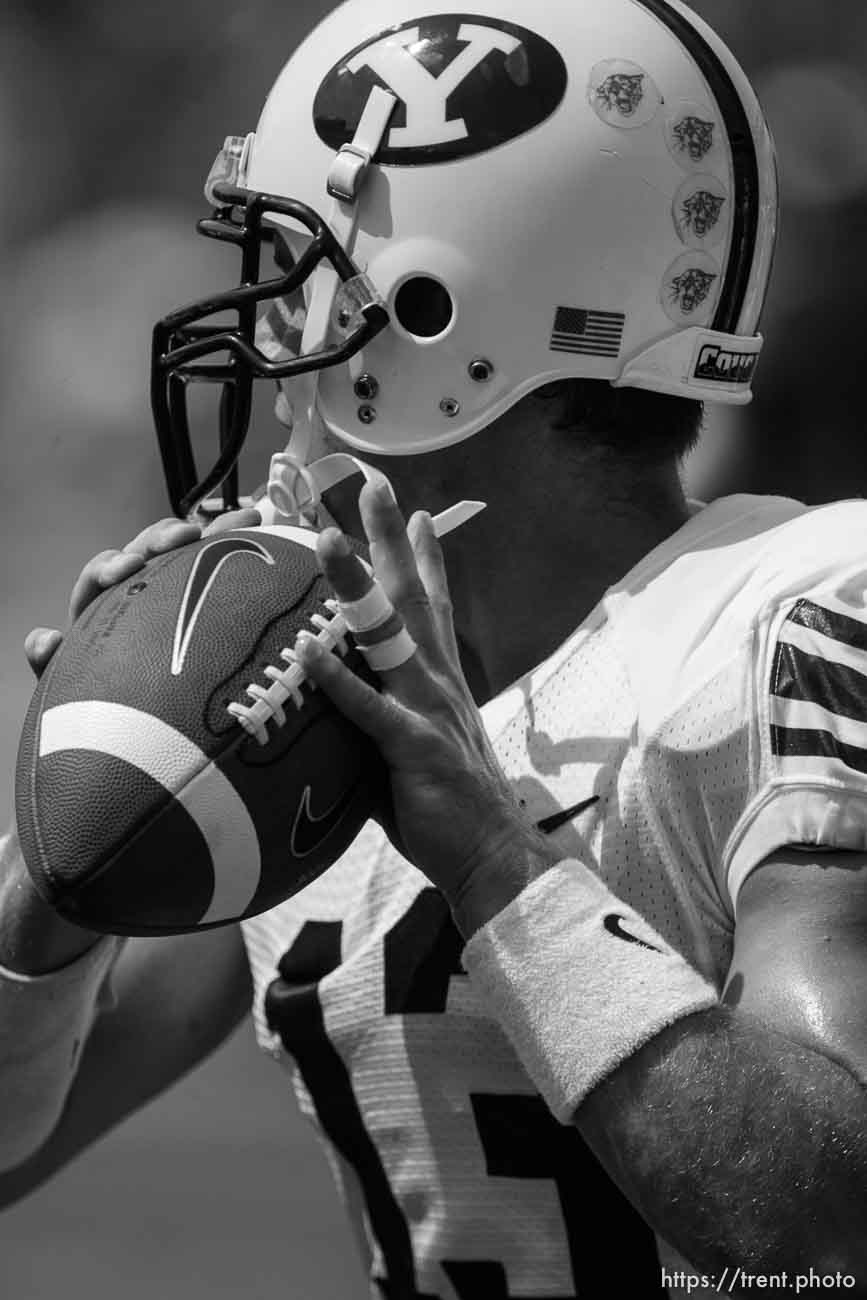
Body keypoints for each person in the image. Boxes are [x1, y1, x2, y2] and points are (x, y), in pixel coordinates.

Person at [1, 1, 865, 1296]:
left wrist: (499, 861)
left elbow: (831, 1225)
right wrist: (46, 890)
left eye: (298, 267)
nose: (265, 322)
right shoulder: (313, 679)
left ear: (432, 312)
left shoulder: (800, 612)